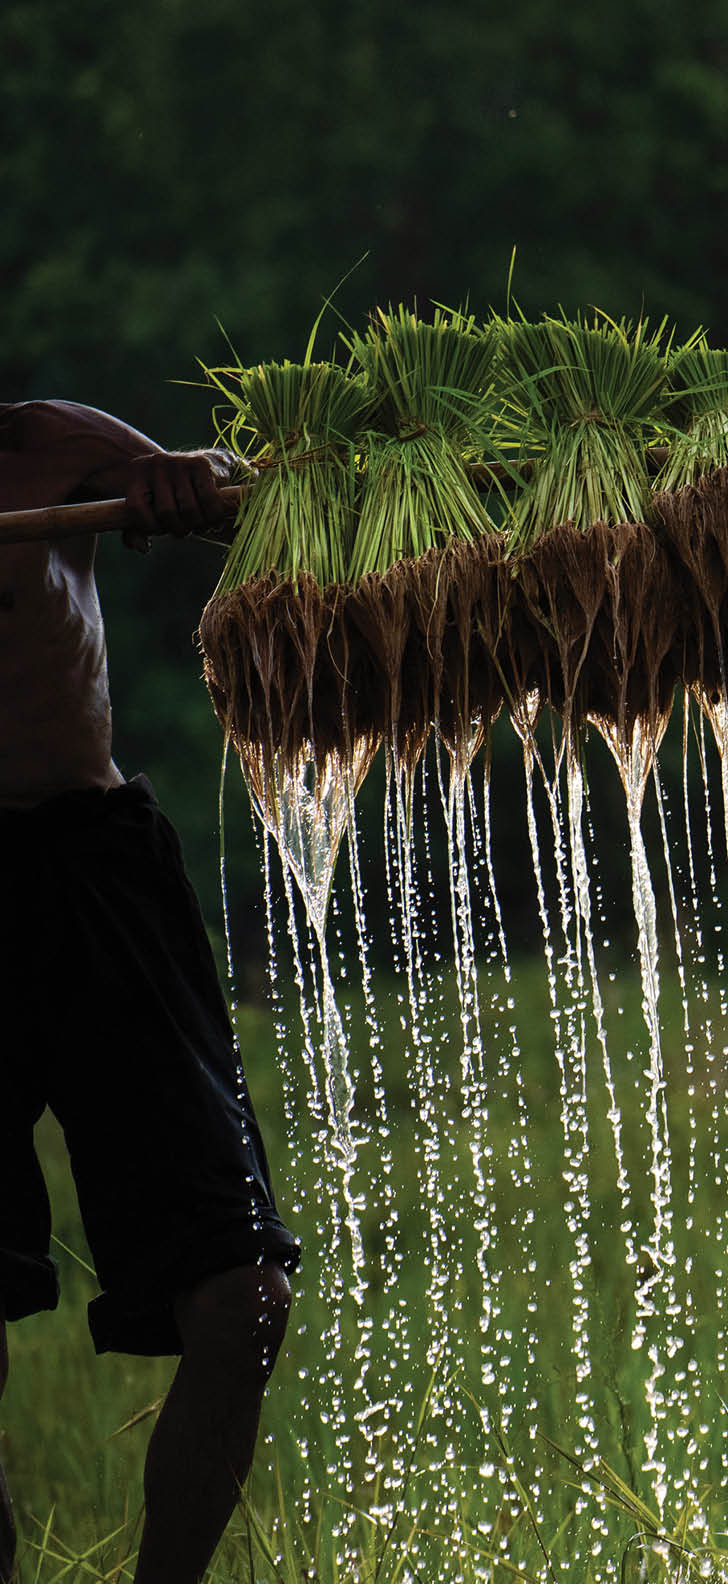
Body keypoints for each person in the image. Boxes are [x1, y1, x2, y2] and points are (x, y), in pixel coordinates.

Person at [0, 399, 300, 1584]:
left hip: (93, 874)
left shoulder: (39, 445)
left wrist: (189, 474)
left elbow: (232, 488)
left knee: (242, 1302)